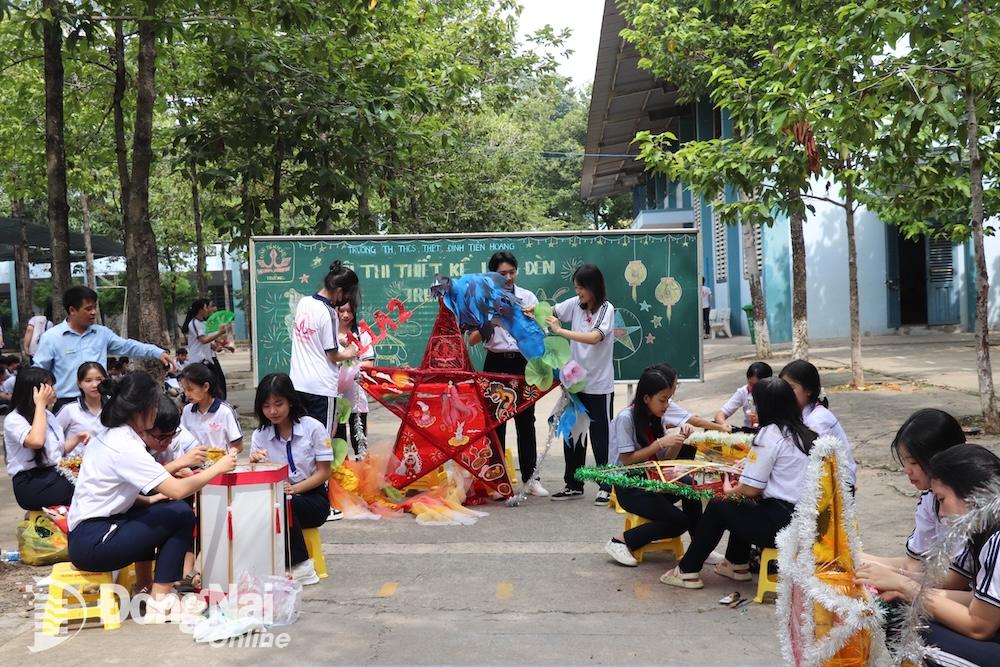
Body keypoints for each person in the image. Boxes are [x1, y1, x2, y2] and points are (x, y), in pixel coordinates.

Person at [67, 372, 237, 622]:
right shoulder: (125, 446)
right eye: (155, 405)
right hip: (94, 541)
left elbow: (127, 486)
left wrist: (154, 495)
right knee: (179, 513)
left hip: (92, 533)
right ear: (143, 410)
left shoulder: (114, 434)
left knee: (156, 511)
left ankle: (146, 587)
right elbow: (178, 490)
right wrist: (217, 468)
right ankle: (160, 598)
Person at [661, 377, 815, 589]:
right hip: (807, 522)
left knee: (721, 504)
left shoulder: (769, 435)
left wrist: (728, 490)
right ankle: (737, 564)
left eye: (756, 403)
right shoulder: (805, 432)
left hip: (782, 525)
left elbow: (751, 489)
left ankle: (687, 570)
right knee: (742, 505)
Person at [856, 445, 1000, 666]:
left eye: (942, 499)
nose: (941, 513)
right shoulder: (985, 528)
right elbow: (979, 602)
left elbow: (979, 625)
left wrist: (904, 585)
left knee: (905, 626)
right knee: (901, 607)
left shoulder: (996, 538)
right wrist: (902, 589)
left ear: (972, 494)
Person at [603, 365, 702, 567]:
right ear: (646, 398)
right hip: (629, 487)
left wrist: (680, 440)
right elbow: (627, 459)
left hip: (652, 479)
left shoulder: (657, 416)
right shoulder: (626, 419)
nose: (666, 405)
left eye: (667, 400)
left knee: (692, 487)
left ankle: (700, 547)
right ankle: (620, 541)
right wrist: (659, 444)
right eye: (662, 400)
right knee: (679, 522)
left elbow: (664, 461)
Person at [467, 252, 547, 497]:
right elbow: (471, 340)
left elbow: (541, 332)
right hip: (495, 361)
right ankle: (497, 482)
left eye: (512, 272)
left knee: (526, 421)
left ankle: (531, 478)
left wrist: (527, 318)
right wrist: (492, 319)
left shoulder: (528, 297)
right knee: (496, 423)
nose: (509, 277)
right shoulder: (482, 300)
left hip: (523, 362)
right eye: (503, 274)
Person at [250, 374, 332, 586]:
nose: (273, 411)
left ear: (291, 401)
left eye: (278, 404)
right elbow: (259, 480)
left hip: (313, 499)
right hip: (278, 499)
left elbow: (324, 472)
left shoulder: (312, 428)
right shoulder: (260, 435)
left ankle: (302, 565)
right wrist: (255, 464)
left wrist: (293, 490)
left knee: (284, 502)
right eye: (266, 406)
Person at [544, 264, 615, 504]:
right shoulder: (574, 304)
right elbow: (549, 311)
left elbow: (595, 338)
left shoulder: (606, 309)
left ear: (593, 287)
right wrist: (531, 310)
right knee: (573, 435)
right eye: (576, 288)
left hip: (598, 385)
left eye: (581, 288)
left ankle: (606, 485)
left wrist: (560, 331)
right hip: (575, 385)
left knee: (600, 436)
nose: (578, 293)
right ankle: (573, 484)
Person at [33, 286, 171, 411]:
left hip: (100, 400)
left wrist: (157, 352)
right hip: (67, 402)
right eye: (88, 309)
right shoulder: (51, 337)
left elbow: (127, 346)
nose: (93, 312)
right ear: (72, 310)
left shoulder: (102, 334)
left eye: (94, 307)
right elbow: (39, 371)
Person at [861, 409, 966, 571]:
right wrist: (853, 558)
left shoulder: (969, 505)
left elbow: (952, 582)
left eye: (914, 463)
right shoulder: (930, 498)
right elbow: (915, 564)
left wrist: (894, 580)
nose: (907, 470)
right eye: (905, 462)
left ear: (941, 457)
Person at [140, 395, 209, 592]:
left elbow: (198, 457)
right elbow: (145, 482)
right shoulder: (133, 446)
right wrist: (177, 465)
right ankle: (146, 582)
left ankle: (182, 572)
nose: (167, 442)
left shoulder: (178, 435)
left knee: (187, 509)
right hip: (140, 501)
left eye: (171, 436)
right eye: (161, 437)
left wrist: (192, 467)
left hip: (168, 492)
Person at [289, 261, 359, 433]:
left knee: (300, 438)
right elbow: (333, 355)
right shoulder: (328, 313)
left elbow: (314, 338)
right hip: (320, 388)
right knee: (322, 442)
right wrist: (350, 352)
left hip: (297, 384)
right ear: (340, 291)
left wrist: (336, 339)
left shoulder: (304, 303)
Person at [3, 367, 87, 510]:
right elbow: (36, 442)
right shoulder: (14, 419)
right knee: (86, 489)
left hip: (53, 474)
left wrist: (77, 438)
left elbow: (57, 452)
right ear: (34, 391)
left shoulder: (47, 415)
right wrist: (40, 404)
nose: (53, 390)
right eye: (49, 386)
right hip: (31, 483)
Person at [779, 360, 857, 490]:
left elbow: (806, 458)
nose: (785, 393)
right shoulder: (801, 413)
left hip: (838, 486)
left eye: (791, 388)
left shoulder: (818, 419)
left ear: (808, 390)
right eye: (783, 388)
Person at [179, 363, 243, 453]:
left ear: (206, 387)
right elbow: (181, 440)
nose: (187, 394)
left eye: (190, 389)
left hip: (219, 463)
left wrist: (228, 456)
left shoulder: (225, 411)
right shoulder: (187, 411)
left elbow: (238, 446)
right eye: (184, 390)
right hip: (194, 464)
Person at [56, 362, 109, 456]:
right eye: (88, 380)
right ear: (79, 383)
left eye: (99, 379)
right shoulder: (69, 410)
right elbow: (53, 439)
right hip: (75, 466)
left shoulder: (114, 407)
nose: (95, 385)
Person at [181, 299, 228, 400]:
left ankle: (220, 404)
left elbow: (207, 341)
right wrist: (219, 333)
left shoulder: (204, 323)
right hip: (198, 361)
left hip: (207, 359)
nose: (208, 310)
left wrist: (215, 346)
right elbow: (203, 340)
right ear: (201, 309)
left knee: (219, 384)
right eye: (207, 307)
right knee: (207, 386)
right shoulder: (194, 323)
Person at [714, 362, 773, 428]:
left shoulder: (775, 392)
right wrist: (724, 425)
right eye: (750, 384)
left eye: (757, 385)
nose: (753, 388)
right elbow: (720, 415)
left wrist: (763, 419)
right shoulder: (743, 392)